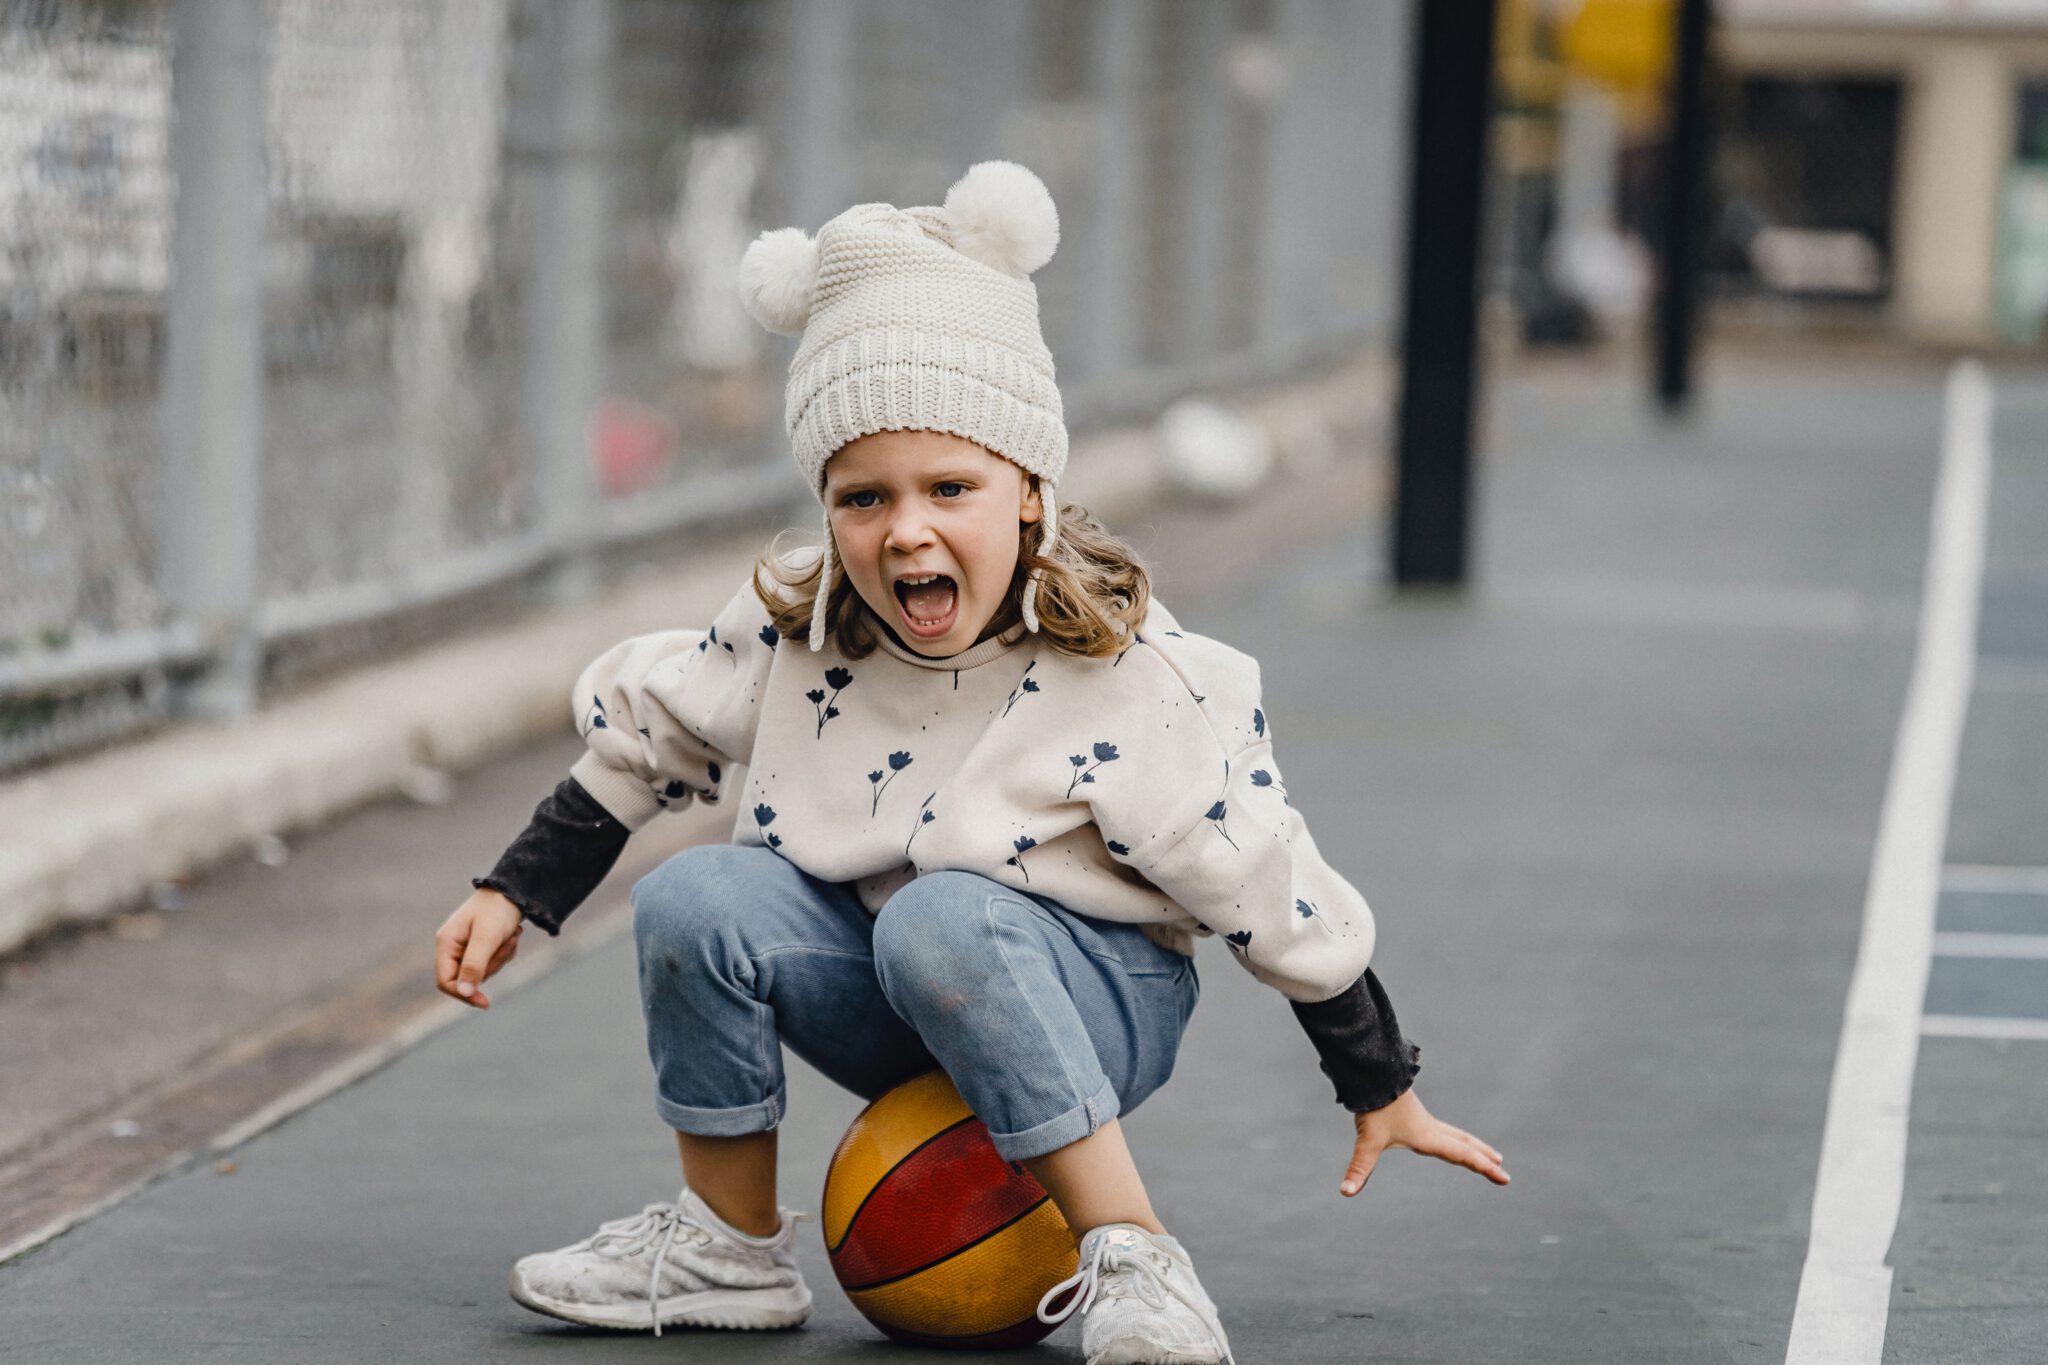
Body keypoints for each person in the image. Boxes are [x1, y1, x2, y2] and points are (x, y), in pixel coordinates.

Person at [434, 161, 1506, 1363]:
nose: (905, 530)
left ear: (1031, 496)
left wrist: (1377, 1077)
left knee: (942, 915)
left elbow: (1257, 874)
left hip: (1097, 998)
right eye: (861, 497)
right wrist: (516, 887)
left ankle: (1139, 1260)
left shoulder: (1121, 671)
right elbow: (656, 730)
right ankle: (725, 1246)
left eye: (952, 487)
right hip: (899, 987)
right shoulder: (797, 632)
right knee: (694, 895)